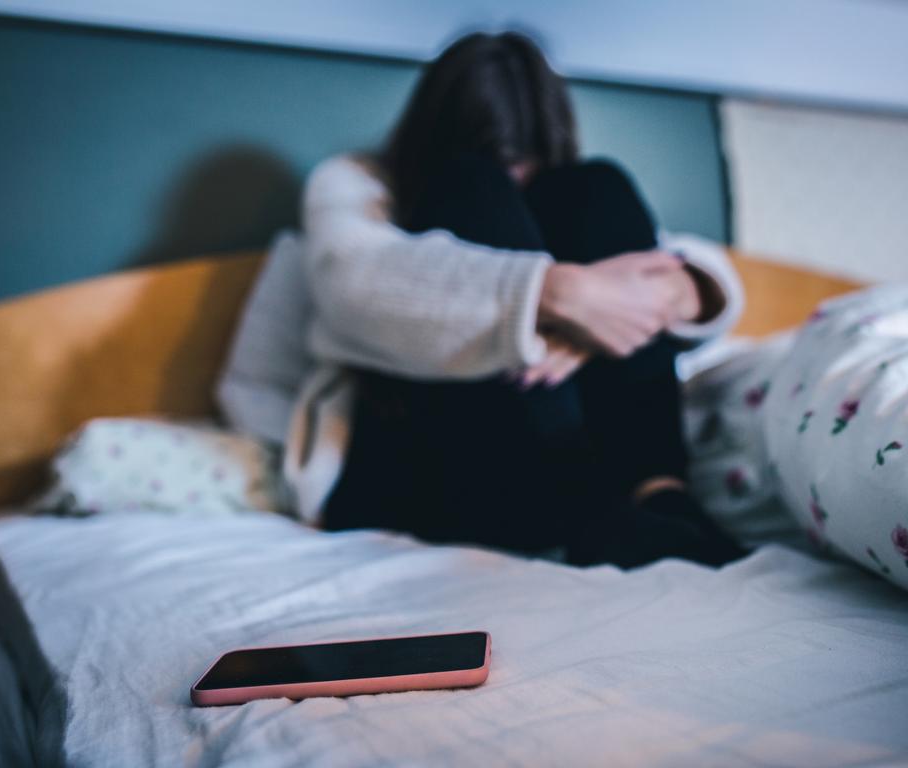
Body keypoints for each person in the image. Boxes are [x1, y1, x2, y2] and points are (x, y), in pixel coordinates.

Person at [292, 32, 746, 568]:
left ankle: (662, 494)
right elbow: (354, 283)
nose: (514, 179)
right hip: (420, 467)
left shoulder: (563, 195)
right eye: (503, 163)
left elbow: (701, 275)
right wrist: (558, 296)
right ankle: (596, 513)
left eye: (524, 163)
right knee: (470, 187)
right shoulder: (355, 182)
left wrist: (664, 294)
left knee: (597, 187)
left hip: (565, 476)